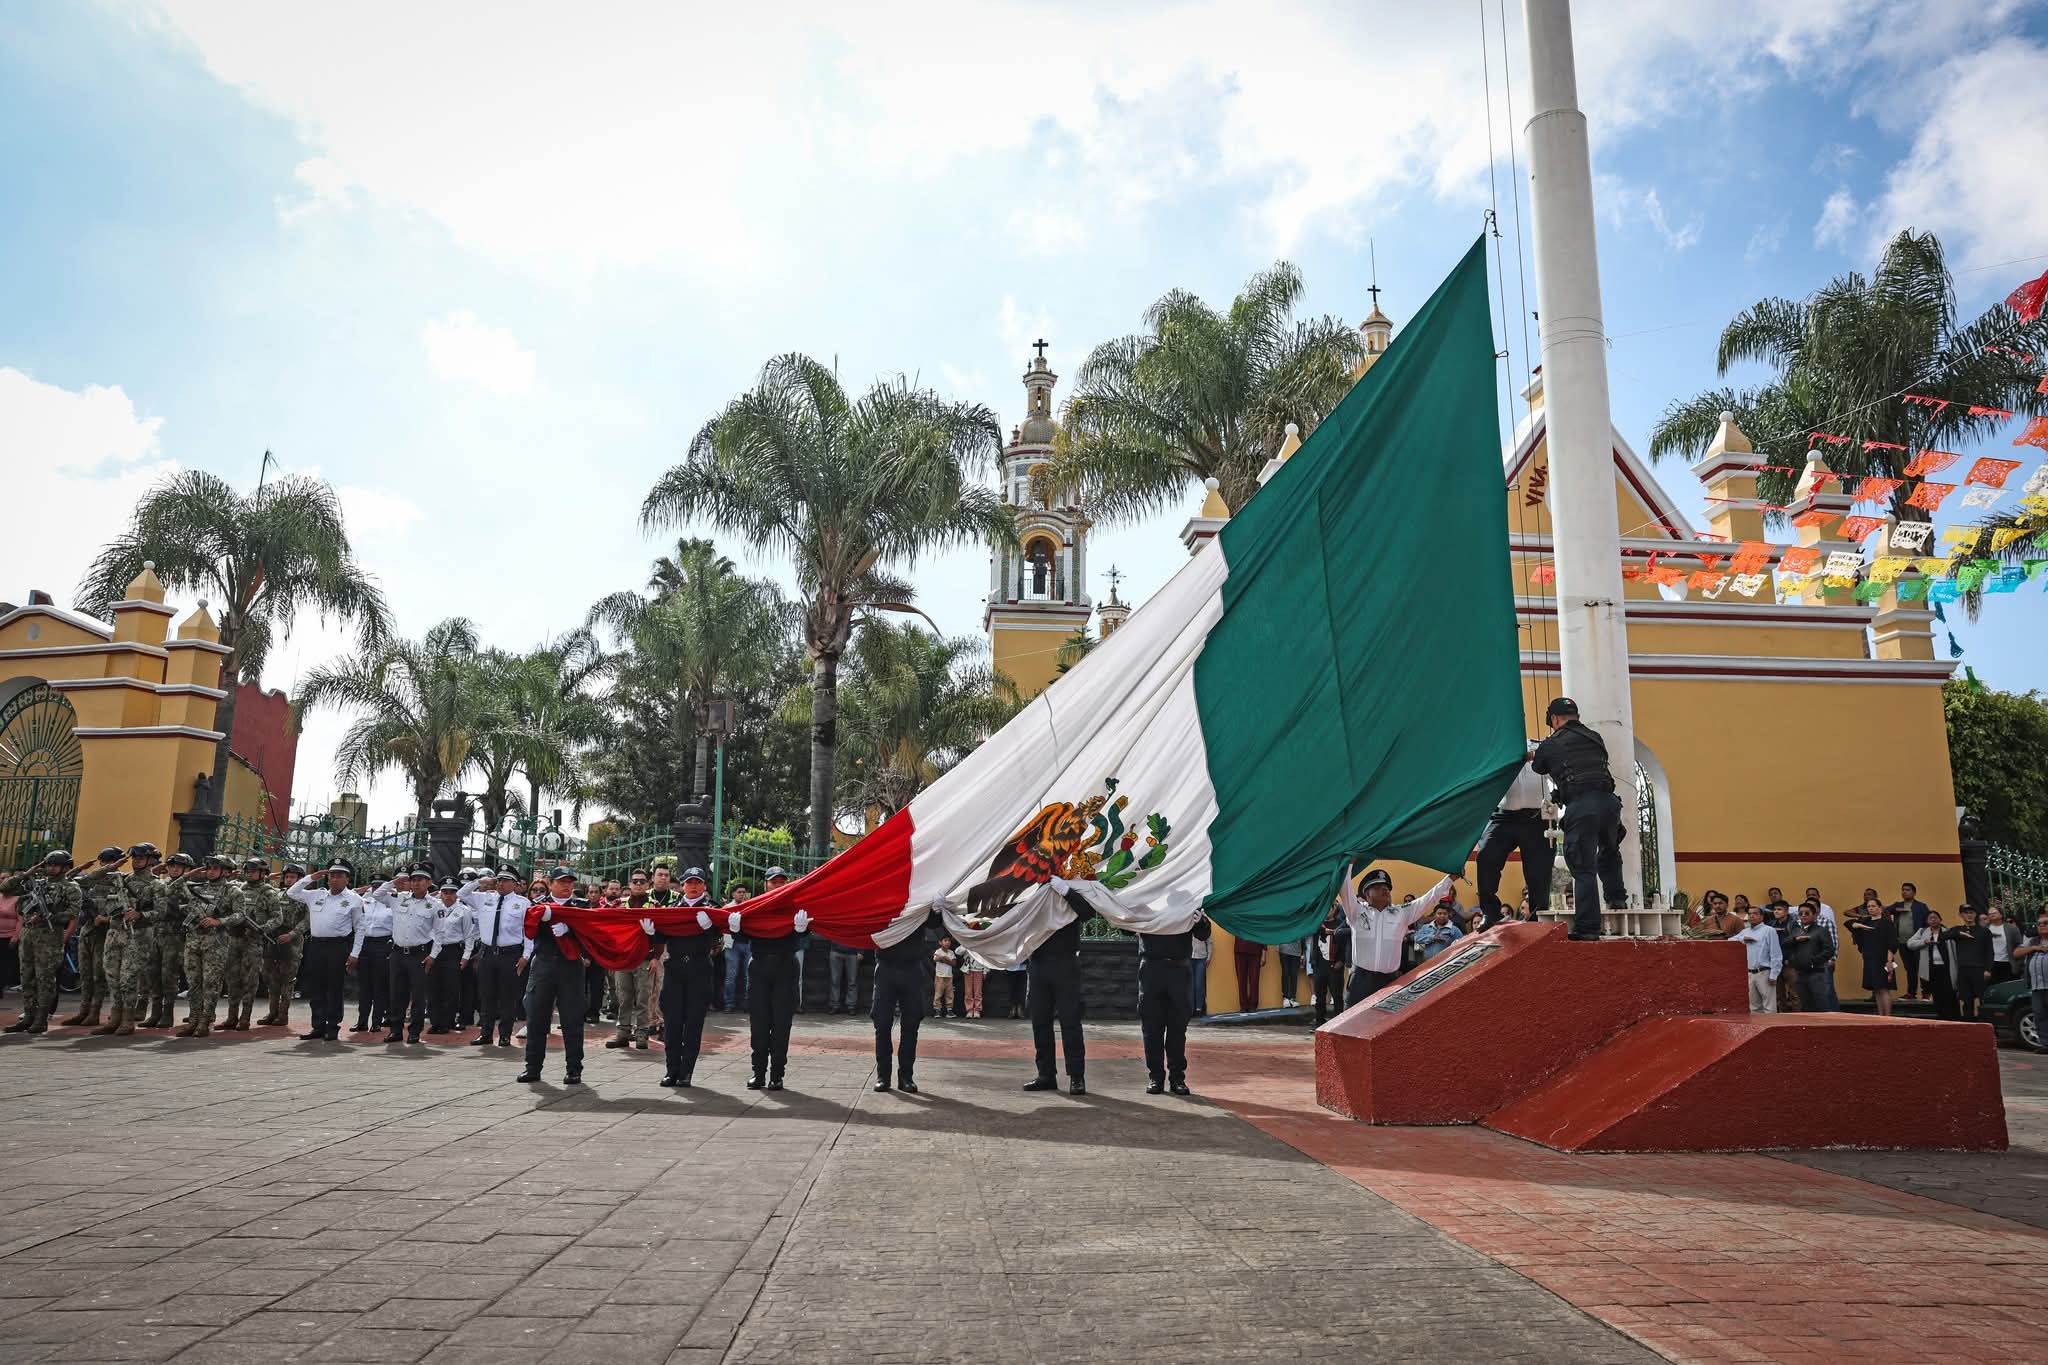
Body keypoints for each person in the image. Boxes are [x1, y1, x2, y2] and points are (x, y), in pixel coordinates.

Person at [1529, 697, 1626, 939]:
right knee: (1610, 851)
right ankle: (1617, 900)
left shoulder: (1552, 743)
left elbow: (1538, 767)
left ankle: (1588, 928)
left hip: (1582, 806)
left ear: (1554, 719)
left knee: (1583, 868)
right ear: (1578, 717)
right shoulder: (1595, 737)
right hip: (1610, 803)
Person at [517, 866, 597, 1084]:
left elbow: (590, 930)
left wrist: (569, 930)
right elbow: (528, 929)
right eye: (562, 881)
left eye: (570, 882)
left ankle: (574, 1069)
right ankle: (532, 1067)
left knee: (572, 1019)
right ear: (550, 883)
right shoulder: (538, 905)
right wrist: (546, 919)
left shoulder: (581, 905)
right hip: (543, 964)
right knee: (536, 1018)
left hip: (570, 966)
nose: (566, 886)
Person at [1338, 866, 1449, 1008]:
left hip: (1389, 982)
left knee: (1385, 1026)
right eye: (1378, 887)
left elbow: (1428, 899)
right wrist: (1348, 864)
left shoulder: (1401, 913)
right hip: (1360, 981)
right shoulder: (1357, 911)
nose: (1385, 890)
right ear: (1367, 893)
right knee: (1351, 1026)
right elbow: (1345, 889)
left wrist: (1449, 879)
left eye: (1387, 887)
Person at [1023, 890, 1098, 1094]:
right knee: (1040, 1022)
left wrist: (1066, 891)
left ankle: (1076, 1076)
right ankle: (1046, 1075)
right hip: (1038, 963)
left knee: (1070, 1021)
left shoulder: (1069, 884)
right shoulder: (1033, 889)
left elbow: (1088, 912)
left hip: (1065, 961)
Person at [732, 895, 809, 1091]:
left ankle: (776, 1074)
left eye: (781, 881)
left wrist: (802, 929)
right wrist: (736, 929)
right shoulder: (757, 906)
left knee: (781, 1024)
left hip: (785, 966)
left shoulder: (793, 907)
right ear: (766, 885)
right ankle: (758, 1073)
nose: (777, 885)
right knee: (758, 1023)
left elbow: (805, 933)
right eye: (773, 882)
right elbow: (744, 936)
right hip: (759, 966)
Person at [1, 850, 82, 1034]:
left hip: (49, 937)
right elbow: (6, 888)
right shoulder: (36, 884)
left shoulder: (70, 887)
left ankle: (41, 1018)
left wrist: (50, 917)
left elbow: (73, 912)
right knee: (27, 977)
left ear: (65, 867)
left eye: (55, 865)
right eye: (48, 864)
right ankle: (28, 1015)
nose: (51, 868)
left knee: (44, 979)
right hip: (29, 935)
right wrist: (27, 873)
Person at [1137, 897, 1211, 1096]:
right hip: (1152, 967)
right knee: (1152, 1027)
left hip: (1179, 969)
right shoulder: (1148, 896)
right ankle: (1155, 1077)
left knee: (1178, 1027)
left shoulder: (1187, 899)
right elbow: (1124, 927)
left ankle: (1177, 1078)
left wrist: (1201, 921)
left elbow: (1203, 934)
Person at [288, 860, 365, 1042]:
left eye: (340, 876)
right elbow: (291, 892)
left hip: (338, 947)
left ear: (347, 879)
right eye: (332, 875)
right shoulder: (316, 895)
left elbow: (361, 928)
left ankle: (332, 1026)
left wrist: (355, 953)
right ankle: (318, 1026)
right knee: (316, 988)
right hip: (316, 946)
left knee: (334, 988)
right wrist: (309, 878)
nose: (335, 879)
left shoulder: (354, 899)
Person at [657, 868, 719, 1088]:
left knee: (693, 1023)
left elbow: (722, 932)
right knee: (672, 1023)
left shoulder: (712, 908)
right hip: (675, 968)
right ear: (682, 885)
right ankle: (671, 1070)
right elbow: (661, 933)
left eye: (698, 883)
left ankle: (687, 1072)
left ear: (704, 886)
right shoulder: (672, 909)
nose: (693, 886)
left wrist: (709, 927)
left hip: (699, 968)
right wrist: (650, 932)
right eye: (689, 882)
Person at [1474, 757, 1552, 925]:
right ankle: (1490, 912)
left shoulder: (1542, 747)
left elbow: (1556, 774)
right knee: (1486, 855)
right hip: (1504, 815)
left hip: (1536, 817)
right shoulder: (1501, 748)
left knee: (1539, 870)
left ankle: (1537, 917)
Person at [460, 867, 530, 1048]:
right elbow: (462, 893)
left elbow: (529, 932)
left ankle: (505, 1035)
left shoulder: (523, 903)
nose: (501, 883)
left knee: (507, 996)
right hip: (487, 953)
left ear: (514, 884)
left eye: (506, 880)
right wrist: (480, 882)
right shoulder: (485, 898)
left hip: (510, 954)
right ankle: (486, 1033)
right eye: (499, 880)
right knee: (486, 995)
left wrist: (526, 955)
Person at [218, 857, 285, 1032]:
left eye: (253, 871)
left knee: (250, 980)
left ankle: (245, 1018)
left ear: (263, 874)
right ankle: (231, 1017)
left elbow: (278, 918)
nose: (249, 874)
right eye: (247, 871)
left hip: (253, 941)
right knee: (232, 979)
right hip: (234, 939)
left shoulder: (269, 893)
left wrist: (263, 928)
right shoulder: (238, 889)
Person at [63, 846, 128, 1028]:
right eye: (104, 861)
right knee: (85, 973)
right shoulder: (92, 879)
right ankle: (83, 1011)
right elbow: (68, 879)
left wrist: (106, 918)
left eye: (112, 860)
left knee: (98, 975)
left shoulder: (121, 880)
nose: (108, 864)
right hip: (88, 930)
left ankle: (94, 1013)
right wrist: (82, 867)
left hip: (105, 933)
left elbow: (126, 907)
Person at [374, 867, 436, 1044]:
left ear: (429, 883)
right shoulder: (399, 898)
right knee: (397, 994)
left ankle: (415, 1031)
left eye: (421, 879)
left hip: (419, 954)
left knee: (417, 996)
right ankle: (395, 1030)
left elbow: (440, 933)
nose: (416, 882)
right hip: (398, 953)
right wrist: (394, 882)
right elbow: (377, 895)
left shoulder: (434, 905)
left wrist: (433, 956)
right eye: (413, 879)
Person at [174, 856, 233, 1037]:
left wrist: (218, 921)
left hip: (215, 944)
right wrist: (188, 875)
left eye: (215, 868)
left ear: (225, 871)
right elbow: (171, 889)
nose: (210, 871)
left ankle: (205, 1021)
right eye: (208, 868)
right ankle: (193, 1020)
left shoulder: (232, 891)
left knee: (210, 984)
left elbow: (240, 915)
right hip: (193, 942)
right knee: (193, 983)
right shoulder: (196, 888)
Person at [871, 916, 930, 1093]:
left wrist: (935, 910)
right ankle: (883, 1076)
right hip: (885, 966)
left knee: (911, 1024)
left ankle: (906, 1076)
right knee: (881, 1023)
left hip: (911, 967)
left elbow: (933, 922)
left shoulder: (918, 893)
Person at [608, 867, 661, 1051]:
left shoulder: (654, 905)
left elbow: (662, 934)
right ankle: (622, 1033)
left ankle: (642, 1034)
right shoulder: (619, 904)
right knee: (624, 997)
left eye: (642, 881)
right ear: (629, 884)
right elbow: (608, 928)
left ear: (648, 884)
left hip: (645, 959)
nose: (638, 884)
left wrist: (656, 957)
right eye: (635, 881)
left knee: (643, 998)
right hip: (623, 958)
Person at [143, 853, 195, 1028]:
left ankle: (168, 1013)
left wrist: (176, 908)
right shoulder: (160, 885)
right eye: (172, 866)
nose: (174, 869)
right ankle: (155, 1012)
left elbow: (192, 908)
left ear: (187, 870)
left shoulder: (190, 888)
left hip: (175, 938)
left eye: (179, 867)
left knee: (169, 976)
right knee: (153, 974)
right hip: (156, 934)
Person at [259, 862, 308, 1026]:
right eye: (286, 877)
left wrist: (292, 934)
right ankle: (272, 1012)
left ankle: (283, 1014)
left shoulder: (305, 897)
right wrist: (267, 879)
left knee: (287, 979)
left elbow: (307, 921)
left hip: (292, 940)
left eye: (292, 877)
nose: (288, 880)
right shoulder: (277, 895)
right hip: (273, 938)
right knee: (271, 977)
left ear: (300, 879)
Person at [350, 867, 397, 1034]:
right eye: (374, 886)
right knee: (364, 986)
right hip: (364, 944)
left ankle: (376, 1021)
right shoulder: (364, 899)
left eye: (379, 886)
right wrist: (362, 890)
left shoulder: (393, 901)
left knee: (379, 985)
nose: (376, 889)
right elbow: (347, 893)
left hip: (383, 944)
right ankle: (362, 1021)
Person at [425, 877, 472, 1034]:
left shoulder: (464, 911)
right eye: (445, 892)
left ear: (457, 894)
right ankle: (435, 1021)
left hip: (453, 951)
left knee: (450, 988)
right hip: (434, 950)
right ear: (440, 893)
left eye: (452, 892)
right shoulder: (434, 908)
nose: (448, 895)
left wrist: (465, 957)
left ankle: (447, 1022)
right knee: (433, 987)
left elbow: (469, 936)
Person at [1845, 892, 1897, 1016]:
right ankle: (1880, 1015)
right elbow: (1848, 923)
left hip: (1883, 958)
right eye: (1869, 907)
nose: (1871, 908)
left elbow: (1892, 943)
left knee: (1884, 988)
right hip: (1869, 957)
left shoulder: (1886, 922)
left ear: (1880, 908)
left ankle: (1887, 1016)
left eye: (1873, 906)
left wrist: (1889, 961)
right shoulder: (1866, 920)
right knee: (1877, 989)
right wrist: (1857, 925)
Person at [1940, 904, 1991, 1023]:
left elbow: (1989, 952)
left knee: (1983, 999)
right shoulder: (1957, 929)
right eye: (1966, 913)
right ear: (1961, 915)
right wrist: (1958, 934)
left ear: (1975, 914)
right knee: (1966, 1000)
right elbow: (1941, 936)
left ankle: (1986, 1024)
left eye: (1971, 912)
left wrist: (1988, 969)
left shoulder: (1984, 931)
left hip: (1979, 969)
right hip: (1963, 970)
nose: (1969, 915)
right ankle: (1969, 1024)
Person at [1905, 910, 1958, 1020]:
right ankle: (1941, 1017)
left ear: (1940, 919)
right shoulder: (1922, 932)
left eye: (1935, 917)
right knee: (1936, 994)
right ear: (1927, 921)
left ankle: (1953, 1018)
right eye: (1930, 918)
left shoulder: (1947, 931)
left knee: (1950, 994)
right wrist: (1924, 942)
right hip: (1931, 968)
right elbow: (1910, 944)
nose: (1933, 919)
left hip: (1946, 968)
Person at [1732, 903, 1781, 1013]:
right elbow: (1730, 940)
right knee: (1754, 1007)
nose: (1752, 916)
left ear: (1762, 916)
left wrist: (1774, 974)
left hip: (1764, 972)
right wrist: (1743, 939)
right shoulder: (1745, 932)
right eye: (1749, 914)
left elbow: (1776, 954)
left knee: (1769, 1007)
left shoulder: (1769, 930)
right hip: (1750, 973)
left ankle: (1771, 1028)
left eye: (1755, 914)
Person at [1786, 902, 1834, 1013]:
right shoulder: (1796, 930)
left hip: (1817, 973)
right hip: (1800, 973)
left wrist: (1813, 961)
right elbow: (1785, 944)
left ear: (1815, 915)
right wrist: (1794, 940)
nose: (1803, 916)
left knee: (1821, 1005)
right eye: (1800, 913)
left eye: (1807, 913)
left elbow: (1829, 950)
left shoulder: (1821, 930)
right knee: (1805, 1006)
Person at [1889, 882, 1933, 999]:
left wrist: (1924, 937)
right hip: (1902, 942)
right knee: (1909, 968)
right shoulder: (1898, 905)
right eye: (1903, 890)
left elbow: (1928, 921)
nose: (1904, 892)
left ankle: (1926, 993)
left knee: (1921, 967)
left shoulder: (1921, 906)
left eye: (1907, 890)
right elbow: (1885, 911)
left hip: (1917, 943)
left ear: (1914, 892)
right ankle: (1911, 993)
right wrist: (1895, 910)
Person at [2014, 912, 2048, 1055]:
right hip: (2037, 987)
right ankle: (2046, 1044)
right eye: (2039, 924)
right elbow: (2016, 953)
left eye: (2045, 923)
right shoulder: (2033, 941)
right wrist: (2034, 948)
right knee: (2040, 1015)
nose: (2042, 926)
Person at [1309, 904, 1349, 1024]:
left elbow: (1346, 944)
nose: (1326, 911)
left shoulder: (1341, 924)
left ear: (1334, 909)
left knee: (1337, 997)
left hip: (1335, 967)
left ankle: (1338, 1023)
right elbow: (1313, 942)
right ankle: (1319, 1021)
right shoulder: (1317, 924)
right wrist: (1314, 962)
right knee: (1319, 997)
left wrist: (1341, 961)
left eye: (1329, 908)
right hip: (1320, 966)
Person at [1986, 906, 2021, 985]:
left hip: (2007, 963)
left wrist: (2018, 963)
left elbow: (2019, 944)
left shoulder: (2011, 928)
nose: (1992, 915)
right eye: (1990, 913)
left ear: (2001, 915)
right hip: (1991, 964)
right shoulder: (1985, 928)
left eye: (1994, 913)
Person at [827, 936, 862, 1014]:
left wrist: (860, 951)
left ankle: (851, 1006)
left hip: (853, 951)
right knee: (834, 980)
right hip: (835, 949)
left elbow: (861, 930)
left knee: (852, 981)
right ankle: (834, 1005)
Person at [1231, 933, 1264, 1013]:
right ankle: (1243, 1005)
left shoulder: (1258, 919)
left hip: (1256, 948)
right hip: (1240, 949)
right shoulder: (1237, 919)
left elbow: (1263, 930)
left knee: (1254, 979)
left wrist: (1264, 952)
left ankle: (1253, 1004)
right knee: (1241, 979)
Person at [1276, 933, 1305, 1007]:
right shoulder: (1282, 921)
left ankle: (1293, 998)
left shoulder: (1298, 921)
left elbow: (1303, 932)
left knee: (1294, 974)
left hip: (1296, 950)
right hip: (1283, 948)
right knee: (1285, 972)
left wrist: (1302, 953)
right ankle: (1285, 998)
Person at [1190, 921, 1211, 1017]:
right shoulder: (1186, 922)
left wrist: (1209, 956)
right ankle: (1191, 1008)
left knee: (1199, 984)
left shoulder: (1204, 922)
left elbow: (1209, 941)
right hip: (1188, 957)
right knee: (1190, 984)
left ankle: (1199, 1008)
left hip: (1201, 958)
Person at [960, 942, 987, 1018]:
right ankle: (969, 1010)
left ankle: (977, 1010)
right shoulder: (966, 943)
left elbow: (986, 959)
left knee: (978, 991)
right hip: (968, 970)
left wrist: (985, 971)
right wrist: (966, 944)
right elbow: (958, 952)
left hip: (979, 970)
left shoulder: (982, 945)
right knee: (968, 991)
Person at [931, 935, 957, 1012]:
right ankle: (937, 1009)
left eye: (949, 941)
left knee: (950, 994)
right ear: (940, 942)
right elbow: (936, 959)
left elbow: (954, 963)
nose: (947, 942)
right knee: (938, 993)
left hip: (949, 976)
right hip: (939, 976)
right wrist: (946, 959)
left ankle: (949, 1009)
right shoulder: (938, 951)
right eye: (945, 940)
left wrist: (944, 958)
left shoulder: (951, 952)